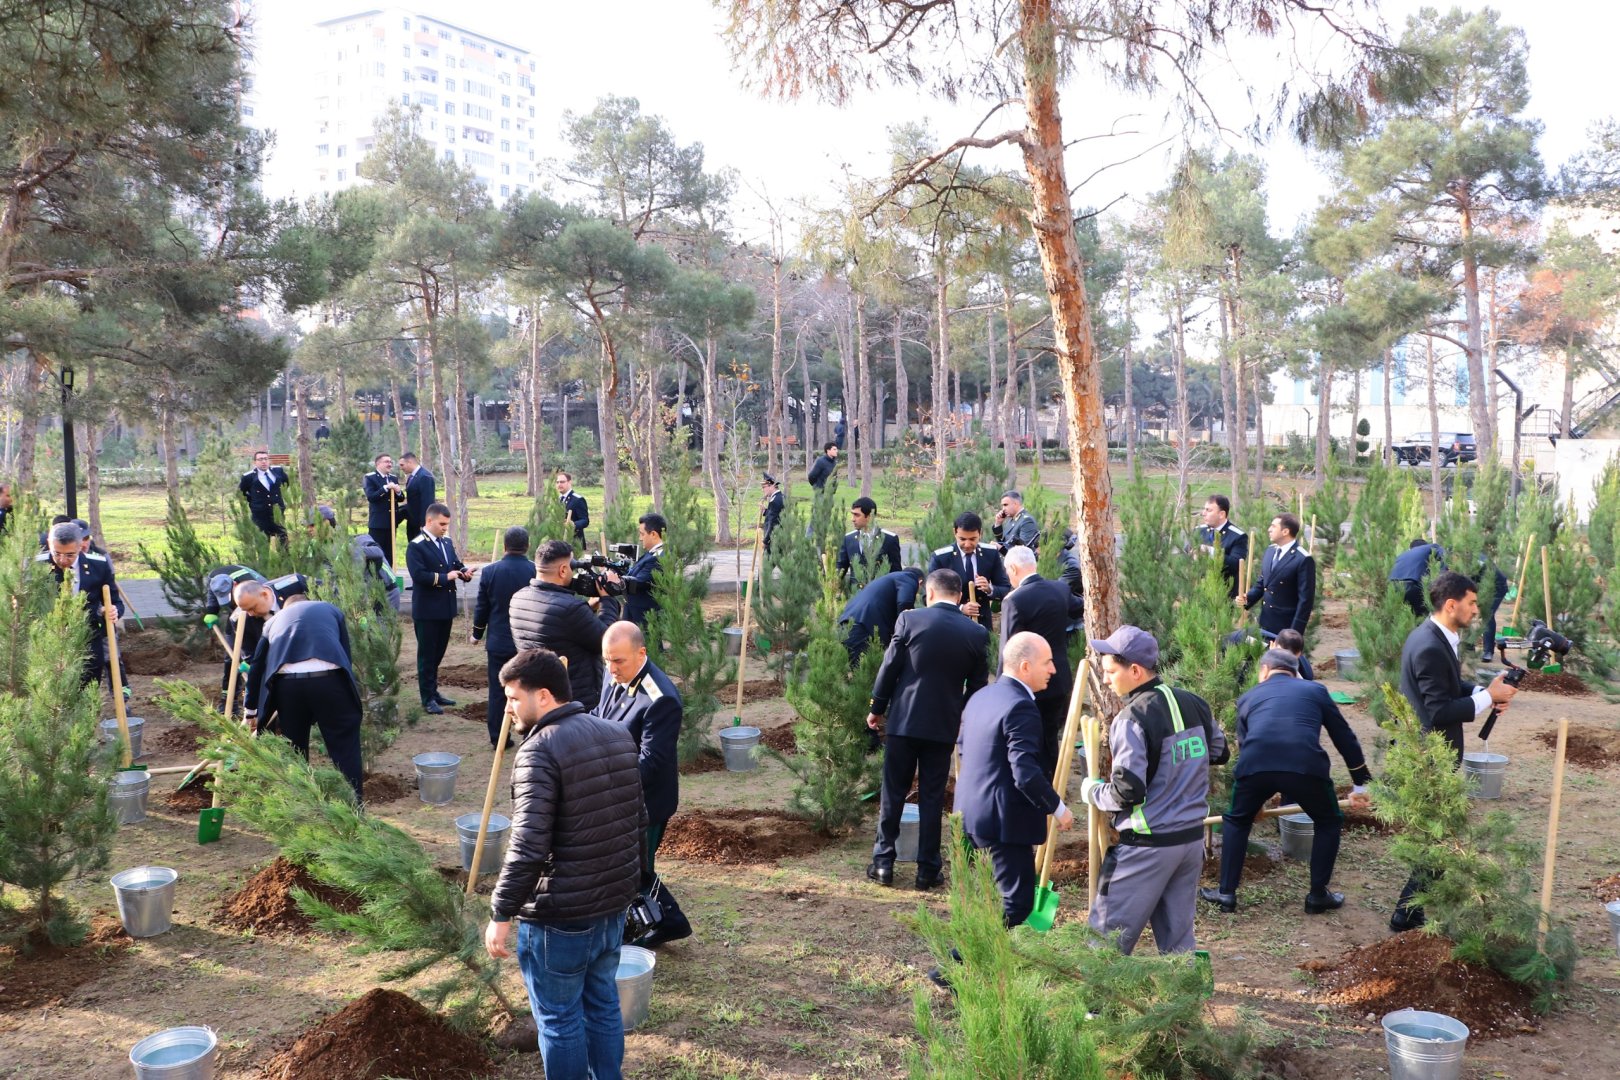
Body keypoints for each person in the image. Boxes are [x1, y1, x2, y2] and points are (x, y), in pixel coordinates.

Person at [484, 648, 645, 1079]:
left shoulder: (539, 751)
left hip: (561, 917)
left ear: (545, 696)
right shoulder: (616, 734)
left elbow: (528, 845)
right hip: (612, 905)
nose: (509, 707)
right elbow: (638, 821)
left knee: (558, 1018)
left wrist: (501, 912)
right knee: (602, 1003)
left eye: (515, 698)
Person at [1077, 625, 1228, 955]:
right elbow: (1220, 751)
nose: (1105, 680)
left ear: (1134, 670)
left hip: (1147, 846)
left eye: (1110, 672)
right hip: (1189, 842)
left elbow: (1127, 791)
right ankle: (1186, 1001)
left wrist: (1092, 791)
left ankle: (1095, 1008)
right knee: (1178, 941)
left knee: (1106, 937)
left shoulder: (1131, 719)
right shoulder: (1194, 703)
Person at [1388, 570, 1517, 932]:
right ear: (1451, 604)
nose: (1477, 610)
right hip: (1431, 757)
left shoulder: (1434, 635)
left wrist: (1480, 690)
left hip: (1431, 752)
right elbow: (1438, 710)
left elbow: (1448, 686)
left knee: (1437, 839)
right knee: (1437, 839)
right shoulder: (1430, 645)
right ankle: (1406, 914)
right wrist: (1488, 698)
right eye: (1472, 603)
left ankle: (1411, 913)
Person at [1199, 648, 1372, 916]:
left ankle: (1226, 894)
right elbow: (1344, 736)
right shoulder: (1316, 691)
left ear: (1265, 671)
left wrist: (1254, 802)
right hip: (1305, 767)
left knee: (1236, 820)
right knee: (1328, 821)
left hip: (1255, 767)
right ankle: (1317, 895)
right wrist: (1361, 784)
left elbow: (1246, 745)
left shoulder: (1247, 697)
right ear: (1295, 672)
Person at [865, 568, 990, 890]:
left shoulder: (909, 620)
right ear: (960, 596)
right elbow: (977, 687)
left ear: (929, 594)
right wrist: (958, 713)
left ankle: (883, 863)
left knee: (893, 792)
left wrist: (876, 708)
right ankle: (928, 869)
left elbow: (889, 667)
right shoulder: (975, 633)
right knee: (932, 798)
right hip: (942, 725)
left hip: (904, 720)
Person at [955, 632, 1074, 926]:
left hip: (973, 809)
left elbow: (962, 747)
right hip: (1003, 817)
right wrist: (1058, 808)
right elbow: (1025, 771)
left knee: (998, 895)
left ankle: (992, 962)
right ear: (1024, 667)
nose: (1053, 670)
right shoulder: (1021, 707)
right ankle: (957, 962)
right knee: (1017, 904)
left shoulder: (981, 696)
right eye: (1047, 662)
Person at [599, 621, 691, 947]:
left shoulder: (661, 698)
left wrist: (605, 784)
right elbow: (602, 718)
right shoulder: (614, 673)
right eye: (607, 660)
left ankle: (666, 921)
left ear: (641, 653)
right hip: (616, 793)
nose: (611, 669)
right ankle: (652, 920)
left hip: (646, 801)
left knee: (637, 868)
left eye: (619, 661)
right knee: (627, 865)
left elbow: (650, 763)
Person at [242, 594, 365, 803]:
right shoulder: (330, 609)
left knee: (295, 749)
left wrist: (251, 711)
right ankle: (353, 808)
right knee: (345, 748)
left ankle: (302, 805)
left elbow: (256, 667)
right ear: (307, 600)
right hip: (330, 681)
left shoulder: (272, 622)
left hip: (288, 687)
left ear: (285, 608)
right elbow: (345, 654)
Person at [1000, 546, 1085, 775]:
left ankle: (1034, 788)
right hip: (1058, 676)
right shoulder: (1059, 589)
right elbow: (1082, 608)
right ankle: (1054, 785)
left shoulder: (1015, 601)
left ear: (1013, 568)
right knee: (1049, 735)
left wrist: (1001, 688)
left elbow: (1008, 649)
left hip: (1028, 682)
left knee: (1026, 737)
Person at [509, 540, 607, 712]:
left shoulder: (518, 598)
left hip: (536, 694)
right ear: (563, 570)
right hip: (574, 700)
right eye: (571, 567)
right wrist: (608, 601)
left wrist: (587, 610)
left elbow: (557, 627)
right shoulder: (571, 609)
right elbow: (607, 642)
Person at [35, 520, 122, 688]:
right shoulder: (36, 566)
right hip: (48, 643)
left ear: (81, 545)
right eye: (57, 553)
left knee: (86, 694)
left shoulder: (98, 566)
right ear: (49, 544)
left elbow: (115, 602)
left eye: (69, 555)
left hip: (88, 643)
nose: (62, 560)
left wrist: (111, 610)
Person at [473, 527, 538, 746]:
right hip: (527, 643)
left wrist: (477, 633)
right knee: (530, 689)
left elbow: (482, 607)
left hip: (498, 642)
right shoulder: (535, 571)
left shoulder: (490, 572)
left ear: (504, 547)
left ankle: (497, 737)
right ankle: (530, 735)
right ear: (527, 546)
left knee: (497, 691)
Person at [406, 502, 473, 714]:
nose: (445, 528)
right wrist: (445, 578)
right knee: (427, 655)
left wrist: (464, 572)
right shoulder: (416, 545)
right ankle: (427, 698)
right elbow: (419, 576)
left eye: (447, 524)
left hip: (445, 607)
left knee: (438, 653)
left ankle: (434, 692)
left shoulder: (446, 542)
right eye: (442, 524)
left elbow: (454, 563)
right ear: (429, 521)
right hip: (427, 610)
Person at [1239, 512, 1316, 678]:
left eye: (1273, 526)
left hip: (1285, 627)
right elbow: (1262, 582)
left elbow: (1305, 601)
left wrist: (1294, 634)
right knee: (1256, 663)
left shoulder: (1303, 559)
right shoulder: (1270, 551)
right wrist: (1248, 598)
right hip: (1266, 622)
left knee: (1286, 669)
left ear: (1285, 531)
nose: (1269, 529)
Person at [927, 512, 1010, 632]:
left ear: (980, 534)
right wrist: (960, 608)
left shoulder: (990, 553)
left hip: (982, 625)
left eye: (972, 539)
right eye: (962, 539)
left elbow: (1005, 588)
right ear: (954, 533)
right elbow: (929, 597)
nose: (967, 544)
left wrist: (989, 588)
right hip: (950, 625)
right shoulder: (941, 558)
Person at [838, 567, 924, 666]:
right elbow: (905, 603)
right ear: (920, 582)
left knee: (854, 671)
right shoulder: (909, 578)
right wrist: (907, 632)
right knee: (861, 671)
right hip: (864, 626)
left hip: (848, 623)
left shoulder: (888, 581)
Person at [605, 513, 665, 630]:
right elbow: (634, 573)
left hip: (644, 617)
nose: (640, 538)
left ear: (653, 534)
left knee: (647, 647)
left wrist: (616, 580)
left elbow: (639, 582)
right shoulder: (651, 554)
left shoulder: (659, 557)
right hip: (635, 612)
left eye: (642, 534)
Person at [836, 496, 902, 585]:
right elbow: (840, 569)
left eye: (857, 515)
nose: (853, 519)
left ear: (870, 516)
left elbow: (896, 574)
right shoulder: (849, 539)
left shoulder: (889, 540)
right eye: (853, 514)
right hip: (856, 596)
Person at [1199, 495, 1248, 599]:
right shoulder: (1199, 531)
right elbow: (1186, 550)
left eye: (1208, 510)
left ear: (1221, 514)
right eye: (1204, 509)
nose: (1203, 513)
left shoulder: (1238, 536)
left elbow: (1236, 564)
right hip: (1200, 592)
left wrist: (1211, 551)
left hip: (1224, 594)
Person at [363, 453, 407, 567]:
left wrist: (398, 491)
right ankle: (376, 580)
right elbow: (371, 497)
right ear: (378, 464)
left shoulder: (393, 478)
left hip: (391, 523)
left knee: (390, 554)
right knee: (376, 553)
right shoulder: (370, 478)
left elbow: (401, 498)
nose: (390, 464)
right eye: (386, 462)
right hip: (377, 523)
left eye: (391, 462)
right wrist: (385, 488)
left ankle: (390, 579)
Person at [237, 450, 289, 542]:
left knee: (283, 544)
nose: (264, 461)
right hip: (260, 517)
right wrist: (254, 502)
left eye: (266, 459)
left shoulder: (278, 471)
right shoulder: (248, 477)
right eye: (260, 459)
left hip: (278, 514)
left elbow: (286, 484)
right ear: (255, 462)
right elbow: (241, 493)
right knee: (262, 546)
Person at [399, 451, 436, 542]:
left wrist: (424, 525)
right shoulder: (413, 477)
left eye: (402, 465)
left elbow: (427, 502)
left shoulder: (424, 476)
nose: (401, 468)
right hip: (412, 522)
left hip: (420, 524)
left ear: (410, 462)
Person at [556, 471, 590, 547]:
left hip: (573, 542)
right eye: (557, 482)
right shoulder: (557, 500)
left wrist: (572, 525)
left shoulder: (577, 500)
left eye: (562, 482)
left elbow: (585, 520)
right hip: (558, 541)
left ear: (569, 482)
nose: (559, 484)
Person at [760, 473, 785, 553]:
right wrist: (765, 511)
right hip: (781, 538)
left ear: (772, 486)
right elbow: (776, 516)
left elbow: (773, 523)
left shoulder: (775, 501)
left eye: (764, 487)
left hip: (773, 542)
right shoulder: (781, 497)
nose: (762, 490)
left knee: (766, 565)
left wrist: (765, 541)